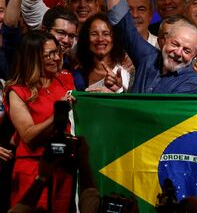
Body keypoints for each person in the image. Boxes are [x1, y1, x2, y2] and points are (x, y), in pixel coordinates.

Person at [103, 0, 197, 93]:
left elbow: (163, 113)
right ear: (164, 41)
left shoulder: (192, 82)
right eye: (175, 44)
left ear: (195, 56)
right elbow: (122, 21)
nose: (178, 52)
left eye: (187, 50)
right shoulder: (148, 57)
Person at [3, 30, 75, 211]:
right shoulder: (18, 91)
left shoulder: (65, 79)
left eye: (57, 52)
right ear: (32, 58)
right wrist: (56, 114)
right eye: (49, 55)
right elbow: (27, 135)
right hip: (33, 170)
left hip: (64, 168)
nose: (57, 58)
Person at [73, 13, 129, 92]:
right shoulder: (76, 75)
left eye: (106, 34)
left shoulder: (126, 72)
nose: (100, 39)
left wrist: (118, 90)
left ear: (114, 38)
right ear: (86, 38)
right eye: (94, 34)